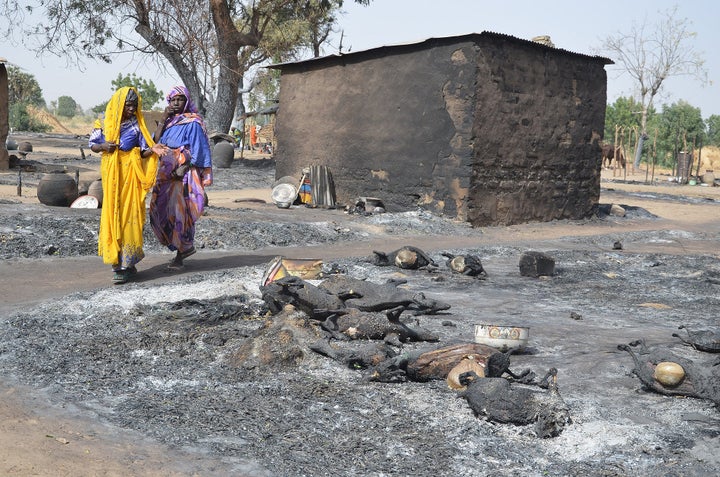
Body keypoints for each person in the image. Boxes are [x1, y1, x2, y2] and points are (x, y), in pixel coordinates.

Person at [89, 87, 168, 284]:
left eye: (135, 105)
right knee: (113, 214)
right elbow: (92, 144)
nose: (132, 109)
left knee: (129, 216)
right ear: (119, 104)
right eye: (128, 105)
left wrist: (153, 150)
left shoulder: (136, 125)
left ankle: (127, 264)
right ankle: (116, 262)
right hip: (112, 176)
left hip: (130, 177)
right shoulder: (104, 121)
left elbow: (142, 151)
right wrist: (104, 147)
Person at [149, 85, 213, 269]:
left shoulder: (193, 122)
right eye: (173, 100)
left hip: (183, 174)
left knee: (180, 212)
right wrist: (162, 119)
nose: (176, 103)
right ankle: (181, 248)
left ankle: (182, 251)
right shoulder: (169, 122)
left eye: (180, 99)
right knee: (159, 209)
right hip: (165, 173)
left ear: (187, 101)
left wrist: (184, 168)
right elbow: (156, 143)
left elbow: (199, 149)